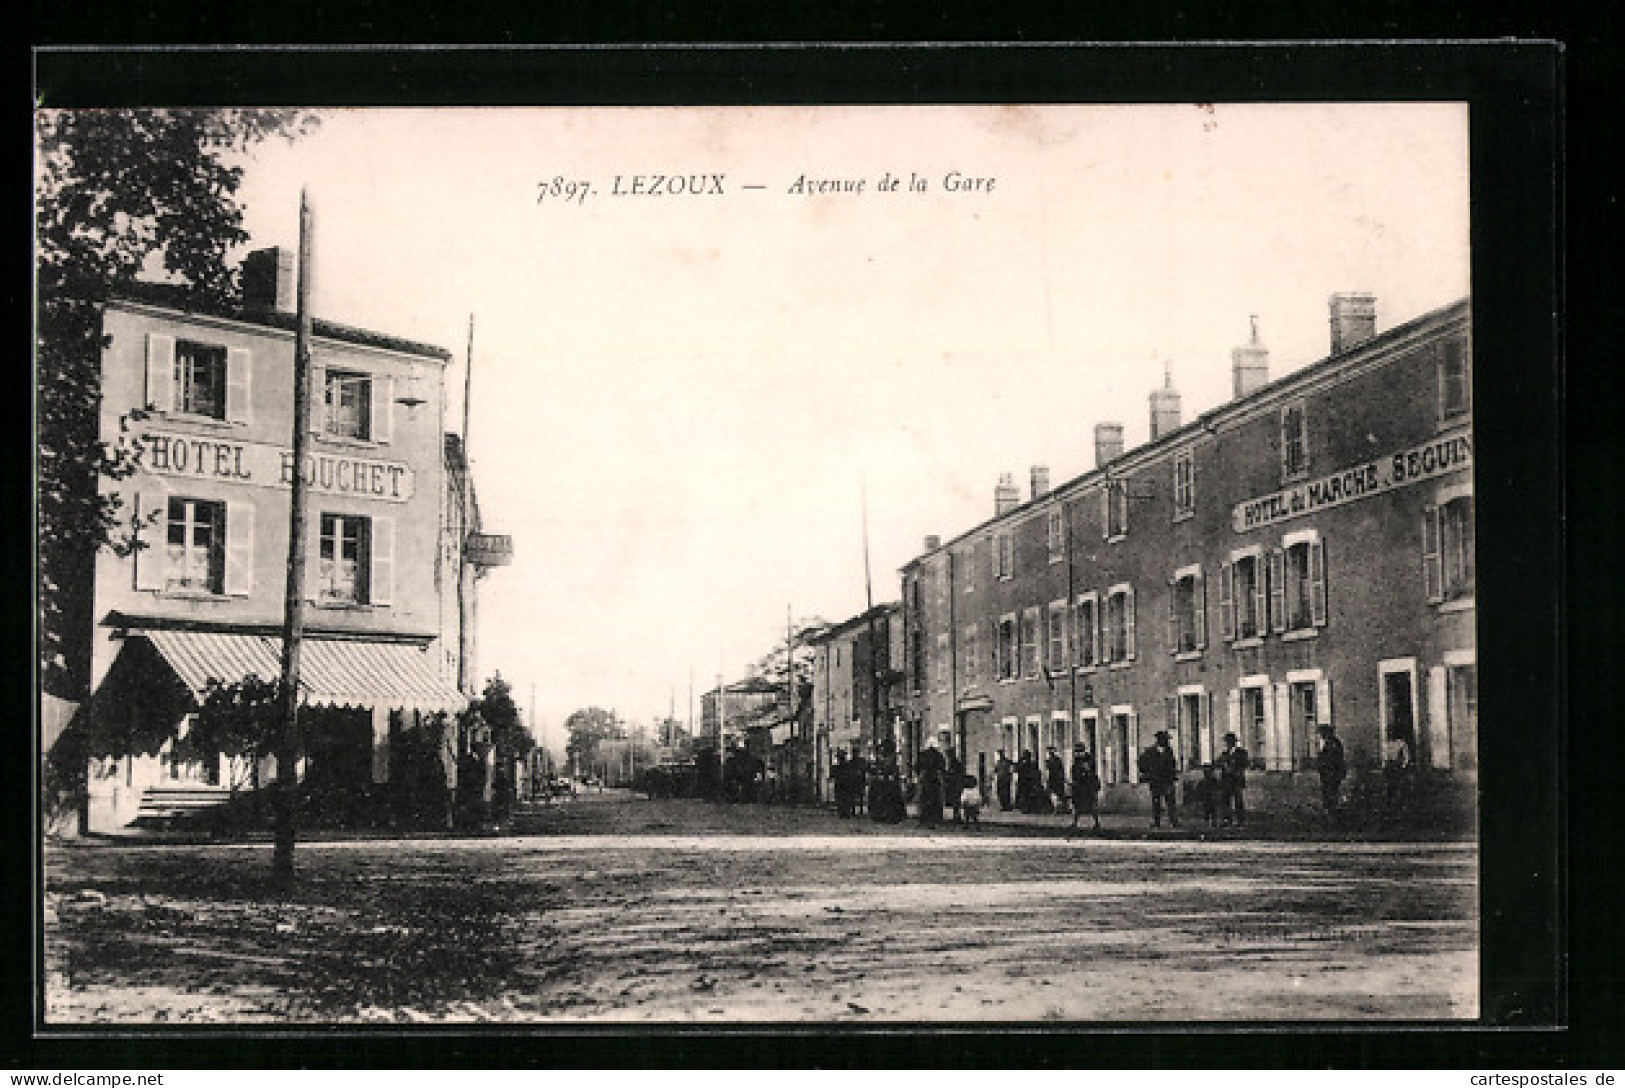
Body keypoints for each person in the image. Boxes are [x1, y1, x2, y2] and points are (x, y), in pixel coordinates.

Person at [1138, 730, 1180, 828]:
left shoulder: (1169, 751)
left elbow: (1172, 763)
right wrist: (1148, 773)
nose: (1166, 741)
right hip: (1156, 781)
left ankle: (1174, 821)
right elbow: (1141, 762)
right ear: (1159, 740)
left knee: (1170, 801)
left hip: (1167, 780)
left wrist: (1172, 773)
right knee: (1156, 802)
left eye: (1167, 739)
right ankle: (1157, 822)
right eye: (1165, 739)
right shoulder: (1151, 751)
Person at [1216, 732, 1249, 827]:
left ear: (1234, 742)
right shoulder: (1224, 754)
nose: (1227, 744)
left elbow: (1245, 764)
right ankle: (1227, 820)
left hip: (1236, 780)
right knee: (1226, 801)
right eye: (1226, 742)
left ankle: (1240, 821)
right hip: (1226, 781)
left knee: (1238, 801)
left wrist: (1235, 769)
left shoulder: (1241, 753)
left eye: (1229, 742)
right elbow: (1218, 763)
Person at [1317, 723, 1347, 823]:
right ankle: (1331, 812)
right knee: (1330, 792)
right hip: (1329, 773)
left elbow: (1332, 760)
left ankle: (1331, 813)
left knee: (1330, 792)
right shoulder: (1333, 743)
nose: (1321, 735)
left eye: (1322, 733)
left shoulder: (1332, 744)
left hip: (1331, 773)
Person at [1069, 744, 1101, 831]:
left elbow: (1089, 774)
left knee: (1091, 806)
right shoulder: (1077, 761)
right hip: (1079, 787)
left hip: (1087, 787)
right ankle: (1075, 822)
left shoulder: (1088, 761)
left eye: (1078, 751)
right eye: (1076, 752)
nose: (1077, 754)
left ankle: (1097, 822)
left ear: (1082, 751)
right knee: (1077, 806)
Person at [917, 741, 946, 826]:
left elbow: (917, 767)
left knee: (924, 798)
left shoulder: (922, 755)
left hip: (925, 779)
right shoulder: (939, 756)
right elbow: (942, 768)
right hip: (935, 780)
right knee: (936, 799)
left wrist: (920, 775)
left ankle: (924, 817)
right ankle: (936, 817)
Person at [1194, 764, 1221, 828]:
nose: (1207, 773)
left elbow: (1218, 788)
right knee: (1207, 810)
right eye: (1206, 772)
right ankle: (1208, 823)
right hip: (1207, 798)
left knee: (1212, 810)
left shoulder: (1213, 781)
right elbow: (1199, 789)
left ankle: (1213, 823)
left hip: (1211, 797)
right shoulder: (1203, 781)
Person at [1045, 746, 1069, 816]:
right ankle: (1063, 808)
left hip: (1053, 779)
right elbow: (1061, 770)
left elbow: (1048, 771)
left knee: (1054, 794)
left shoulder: (1050, 761)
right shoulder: (1057, 760)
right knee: (1060, 794)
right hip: (1058, 779)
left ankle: (1056, 810)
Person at [946, 750, 967, 824]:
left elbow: (952, 773)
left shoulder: (954, 763)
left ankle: (957, 817)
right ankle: (957, 816)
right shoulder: (956, 762)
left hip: (955, 784)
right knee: (956, 801)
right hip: (957, 784)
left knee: (956, 801)